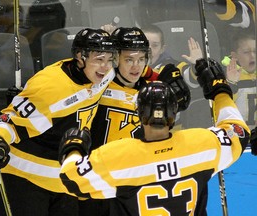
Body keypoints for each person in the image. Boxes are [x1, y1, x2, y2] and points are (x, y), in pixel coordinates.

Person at [58, 58, 250, 215]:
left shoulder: (117, 157)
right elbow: (239, 132)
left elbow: (71, 179)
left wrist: (74, 147)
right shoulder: (202, 144)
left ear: (140, 114)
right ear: (174, 114)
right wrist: (220, 90)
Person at [0, 28, 116, 216]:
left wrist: (112, 31)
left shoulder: (104, 75)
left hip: (63, 177)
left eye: (110, 60)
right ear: (79, 56)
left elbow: (132, 60)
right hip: (24, 178)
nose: (106, 66)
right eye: (99, 60)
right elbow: (8, 123)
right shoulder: (50, 86)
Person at [78, 27, 190, 216]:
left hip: (135, 181)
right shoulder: (96, 86)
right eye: (129, 60)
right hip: (98, 181)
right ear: (115, 59)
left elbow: (183, 102)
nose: (135, 67)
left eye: (140, 60)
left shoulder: (152, 91)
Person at [222, 31, 256, 130]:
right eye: (246, 52)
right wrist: (231, 83)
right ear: (234, 56)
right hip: (237, 137)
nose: (252, 56)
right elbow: (221, 106)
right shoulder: (226, 75)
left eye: (255, 51)